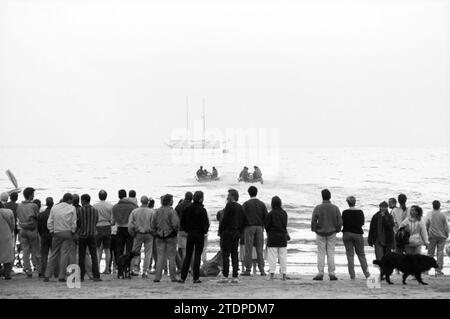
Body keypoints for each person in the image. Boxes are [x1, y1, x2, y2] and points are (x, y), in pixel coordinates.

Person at [44, 193, 77, 282]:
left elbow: (49, 221)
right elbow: (74, 223)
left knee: (53, 254)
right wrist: (73, 232)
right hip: (67, 233)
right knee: (64, 254)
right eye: (71, 200)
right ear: (69, 200)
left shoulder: (54, 207)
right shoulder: (72, 208)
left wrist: (51, 231)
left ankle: (47, 275)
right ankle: (61, 276)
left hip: (56, 233)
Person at [178, 191, 210, 284]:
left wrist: (187, 230)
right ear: (200, 199)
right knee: (197, 256)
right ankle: (195, 278)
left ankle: (183, 277)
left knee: (188, 255)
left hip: (190, 233)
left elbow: (182, 222)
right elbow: (206, 224)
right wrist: (204, 231)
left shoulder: (187, 209)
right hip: (199, 234)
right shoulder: (202, 210)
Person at [311, 189, 342, 281]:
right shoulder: (335, 208)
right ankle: (331, 272)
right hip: (332, 232)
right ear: (330, 196)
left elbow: (313, 220)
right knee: (331, 253)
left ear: (322, 196)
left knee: (321, 253)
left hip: (320, 232)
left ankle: (320, 272)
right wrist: (337, 229)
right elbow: (340, 221)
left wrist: (315, 229)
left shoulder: (318, 207)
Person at [150, 194, 180, 283]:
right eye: (172, 200)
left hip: (159, 235)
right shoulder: (172, 211)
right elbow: (175, 224)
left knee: (160, 257)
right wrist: (175, 231)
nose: (173, 201)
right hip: (170, 236)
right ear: (169, 201)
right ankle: (173, 277)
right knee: (171, 257)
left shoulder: (157, 211)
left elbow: (152, 224)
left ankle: (157, 277)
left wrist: (155, 232)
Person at [218, 189, 246, 283]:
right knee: (234, 254)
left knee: (226, 254)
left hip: (227, 232)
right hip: (236, 232)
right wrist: (240, 231)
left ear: (233, 196)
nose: (227, 196)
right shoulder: (240, 207)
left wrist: (221, 230)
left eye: (229, 195)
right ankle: (235, 276)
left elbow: (225, 219)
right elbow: (245, 221)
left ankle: (225, 275)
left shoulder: (229, 205)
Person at [341, 196, 370, 280]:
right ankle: (367, 274)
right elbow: (362, 223)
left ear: (348, 203)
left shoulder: (345, 212)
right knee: (361, 255)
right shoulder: (360, 212)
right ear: (355, 202)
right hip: (357, 234)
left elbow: (342, 223)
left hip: (347, 233)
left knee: (350, 255)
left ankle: (352, 275)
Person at [241, 186, 268, 276]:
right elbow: (266, 217)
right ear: (256, 192)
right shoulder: (262, 204)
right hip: (260, 228)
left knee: (248, 249)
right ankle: (262, 270)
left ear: (249, 193)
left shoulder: (246, 204)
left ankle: (248, 269)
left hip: (249, 227)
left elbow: (242, 216)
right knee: (260, 249)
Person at [16, 187, 41, 278]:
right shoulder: (34, 206)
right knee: (36, 251)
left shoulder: (19, 205)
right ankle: (39, 270)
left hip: (22, 230)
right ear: (30, 195)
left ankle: (28, 270)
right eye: (33, 194)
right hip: (32, 230)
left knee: (25, 252)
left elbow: (18, 216)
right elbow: (38, 216)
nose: (34, 195)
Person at [128, 195, 155, 278]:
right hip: (149, 233)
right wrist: (153, 232)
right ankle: (145, 271)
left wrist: (132, 233)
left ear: (141, 201)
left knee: (134, 252)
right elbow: (154, 224)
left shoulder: (135, 211)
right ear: (148, 202)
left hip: (138, 233)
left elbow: (130, 224)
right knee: (148, 253)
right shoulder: (152, 212)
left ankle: (131, 269)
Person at [77, 194, 101, 282]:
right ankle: (96, 275)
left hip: (82, 235)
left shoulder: (80, 210)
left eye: (81, 200)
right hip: (92, 235)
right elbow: (96, 221)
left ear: (83, 200)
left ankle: (81, 276)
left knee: (82, 256)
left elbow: (78, 223)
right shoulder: (95, 210)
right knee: (94, 256)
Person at [265, 196, 288, 280]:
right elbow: (285, 225)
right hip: (282, 237)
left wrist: (269, 232)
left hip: (272, 237)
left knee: (272, 256)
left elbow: (267, 226)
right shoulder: (284, 213)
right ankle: (284, 275)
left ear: (272, 204)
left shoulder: (270, 213)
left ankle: (271, 275)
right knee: (283, 256)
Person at [112, 189, 137, 258]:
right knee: (129, 248)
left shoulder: (115, 207)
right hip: (129, 228)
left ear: (118, 196)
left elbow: (112, 222)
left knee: (119, 248)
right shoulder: (133, 206)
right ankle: (128, 265)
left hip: (119, 228)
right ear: (126, 195)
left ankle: (119, 265)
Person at [426, 200, 448, 276]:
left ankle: (426, 269)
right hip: (442, 236)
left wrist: (426, 235)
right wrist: (447, 234)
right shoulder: (443, 215)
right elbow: (446, 226)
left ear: (433, 206)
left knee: (430, 253)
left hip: (432, 236)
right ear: (439, 206)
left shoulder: (429, 214)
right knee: (440, 253)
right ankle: (438, 270)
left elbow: (427, 224)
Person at [93, 190, 113, 274]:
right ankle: (107, 269)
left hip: (98, 226)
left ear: (98, 196)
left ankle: (97, 267)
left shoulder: (95, 206)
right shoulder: (110, 206)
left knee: (97, 249)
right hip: (107, 226)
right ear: (106, 196)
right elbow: (112, 219)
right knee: (107, 249)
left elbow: (93, 218)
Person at [175, 192, 193, 271]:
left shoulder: (179, 206)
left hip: (181, 230)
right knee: (192, 250)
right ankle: (192, 268)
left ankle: (185, 267)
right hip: (192, 230)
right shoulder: (193, 206)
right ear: (191, 198)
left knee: (184, 250)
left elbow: (175, 219)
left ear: (185, 197)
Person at [37, 197, 55, 277]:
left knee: (44, 255)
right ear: (53, 203)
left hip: (44, 235)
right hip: (53, 235)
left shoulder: (41, 214)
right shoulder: (55, 214)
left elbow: (39, 227)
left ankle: (43, 272)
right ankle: (55, 272)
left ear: (46, 203)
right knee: (54, 254)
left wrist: (41, 234)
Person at [0, 202, 15, 280]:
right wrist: (10, 231)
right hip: (6, 234)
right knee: (8, 255)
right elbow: (13, 225)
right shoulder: (8, 212)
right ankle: (7, 275)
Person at [5, 192, 19, 268]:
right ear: (16, 198)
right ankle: (11, 264)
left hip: (6, 227)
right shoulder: (18, 206)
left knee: (6, 246)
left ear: (10, 197)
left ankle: (7, 263)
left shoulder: (5, 205)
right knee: (13, 246)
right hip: (15, 228)